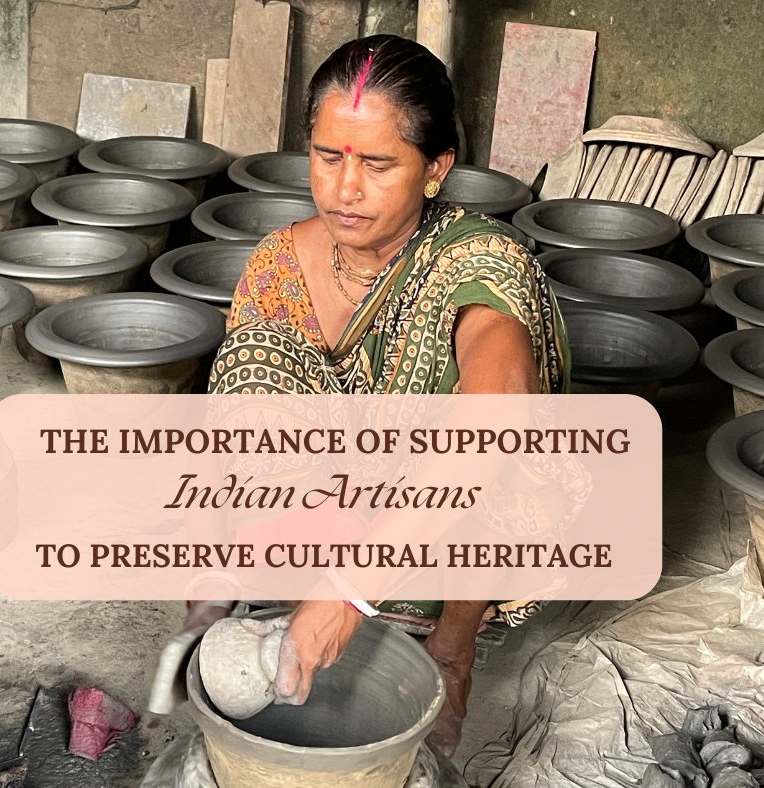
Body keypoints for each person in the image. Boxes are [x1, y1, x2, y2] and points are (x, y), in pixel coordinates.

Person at [182, 33, 568, 757]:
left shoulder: (478, 262)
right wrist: (210, 593)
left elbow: (502, 413)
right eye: (328, 157)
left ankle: (451, 650)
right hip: (346, 509)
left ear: (435, 169)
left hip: (443, 516)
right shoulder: (280, 263)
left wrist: (352, 592)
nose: (344, 189)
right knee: (251, 358)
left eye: (378, 163)